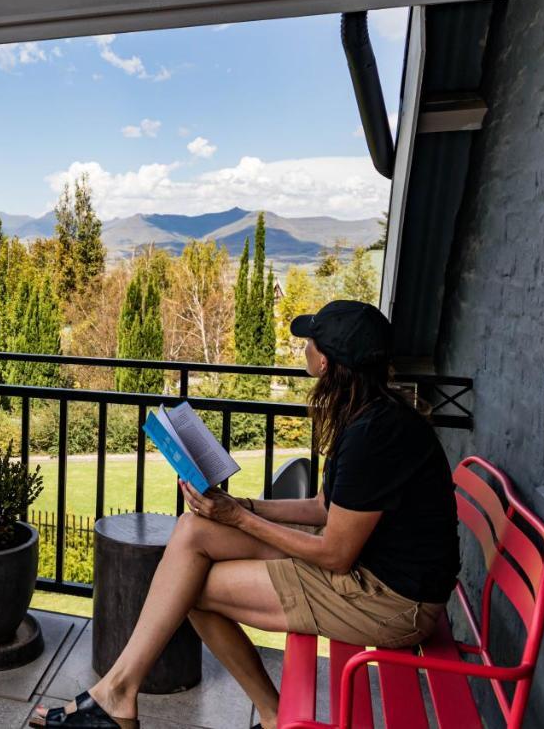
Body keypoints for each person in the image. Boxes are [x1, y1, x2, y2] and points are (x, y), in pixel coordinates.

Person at [30, 300, 460, 729]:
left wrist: (239, 518)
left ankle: (253, 714)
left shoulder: (375, 434)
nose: (304, 349)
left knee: (191, 589)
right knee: (196, 527)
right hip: (373, 572)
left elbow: (335, 554)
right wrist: (243, 506)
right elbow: (323, 508)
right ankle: (118, 693)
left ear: (326, 362)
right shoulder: (371, 413)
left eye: (309, 343)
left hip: (390, 601)